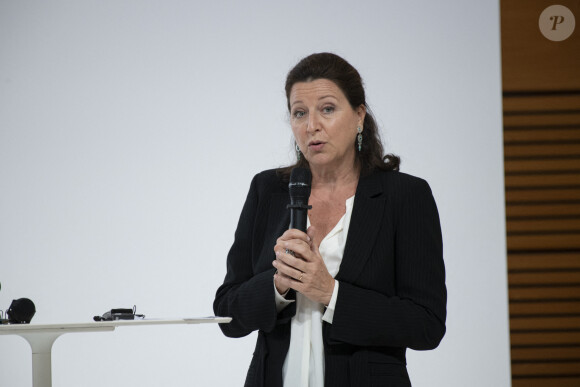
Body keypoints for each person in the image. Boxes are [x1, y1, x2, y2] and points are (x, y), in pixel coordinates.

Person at [213, 52, 446, 387]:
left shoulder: (405, 197)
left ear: (359, 116)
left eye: (327, 109)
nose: (312, 126)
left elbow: (426, 325)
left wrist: (331, 293)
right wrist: (277, 284)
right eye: (299, 113)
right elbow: (227, 314)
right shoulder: (268, 190)